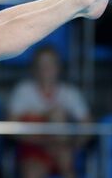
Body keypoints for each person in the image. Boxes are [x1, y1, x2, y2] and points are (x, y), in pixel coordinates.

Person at [9, 46, 91, 178]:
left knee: (58, 115)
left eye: (50, 64)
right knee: (31, 173)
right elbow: (11, 127)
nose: (45, 69)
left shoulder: (70, 93)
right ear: (34, 68)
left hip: (63, 150)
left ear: (58, 67)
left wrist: (75, 146)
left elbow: (87, 126)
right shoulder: (23, 91)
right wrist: (43, 139)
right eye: (41, 64)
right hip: (33, 149)